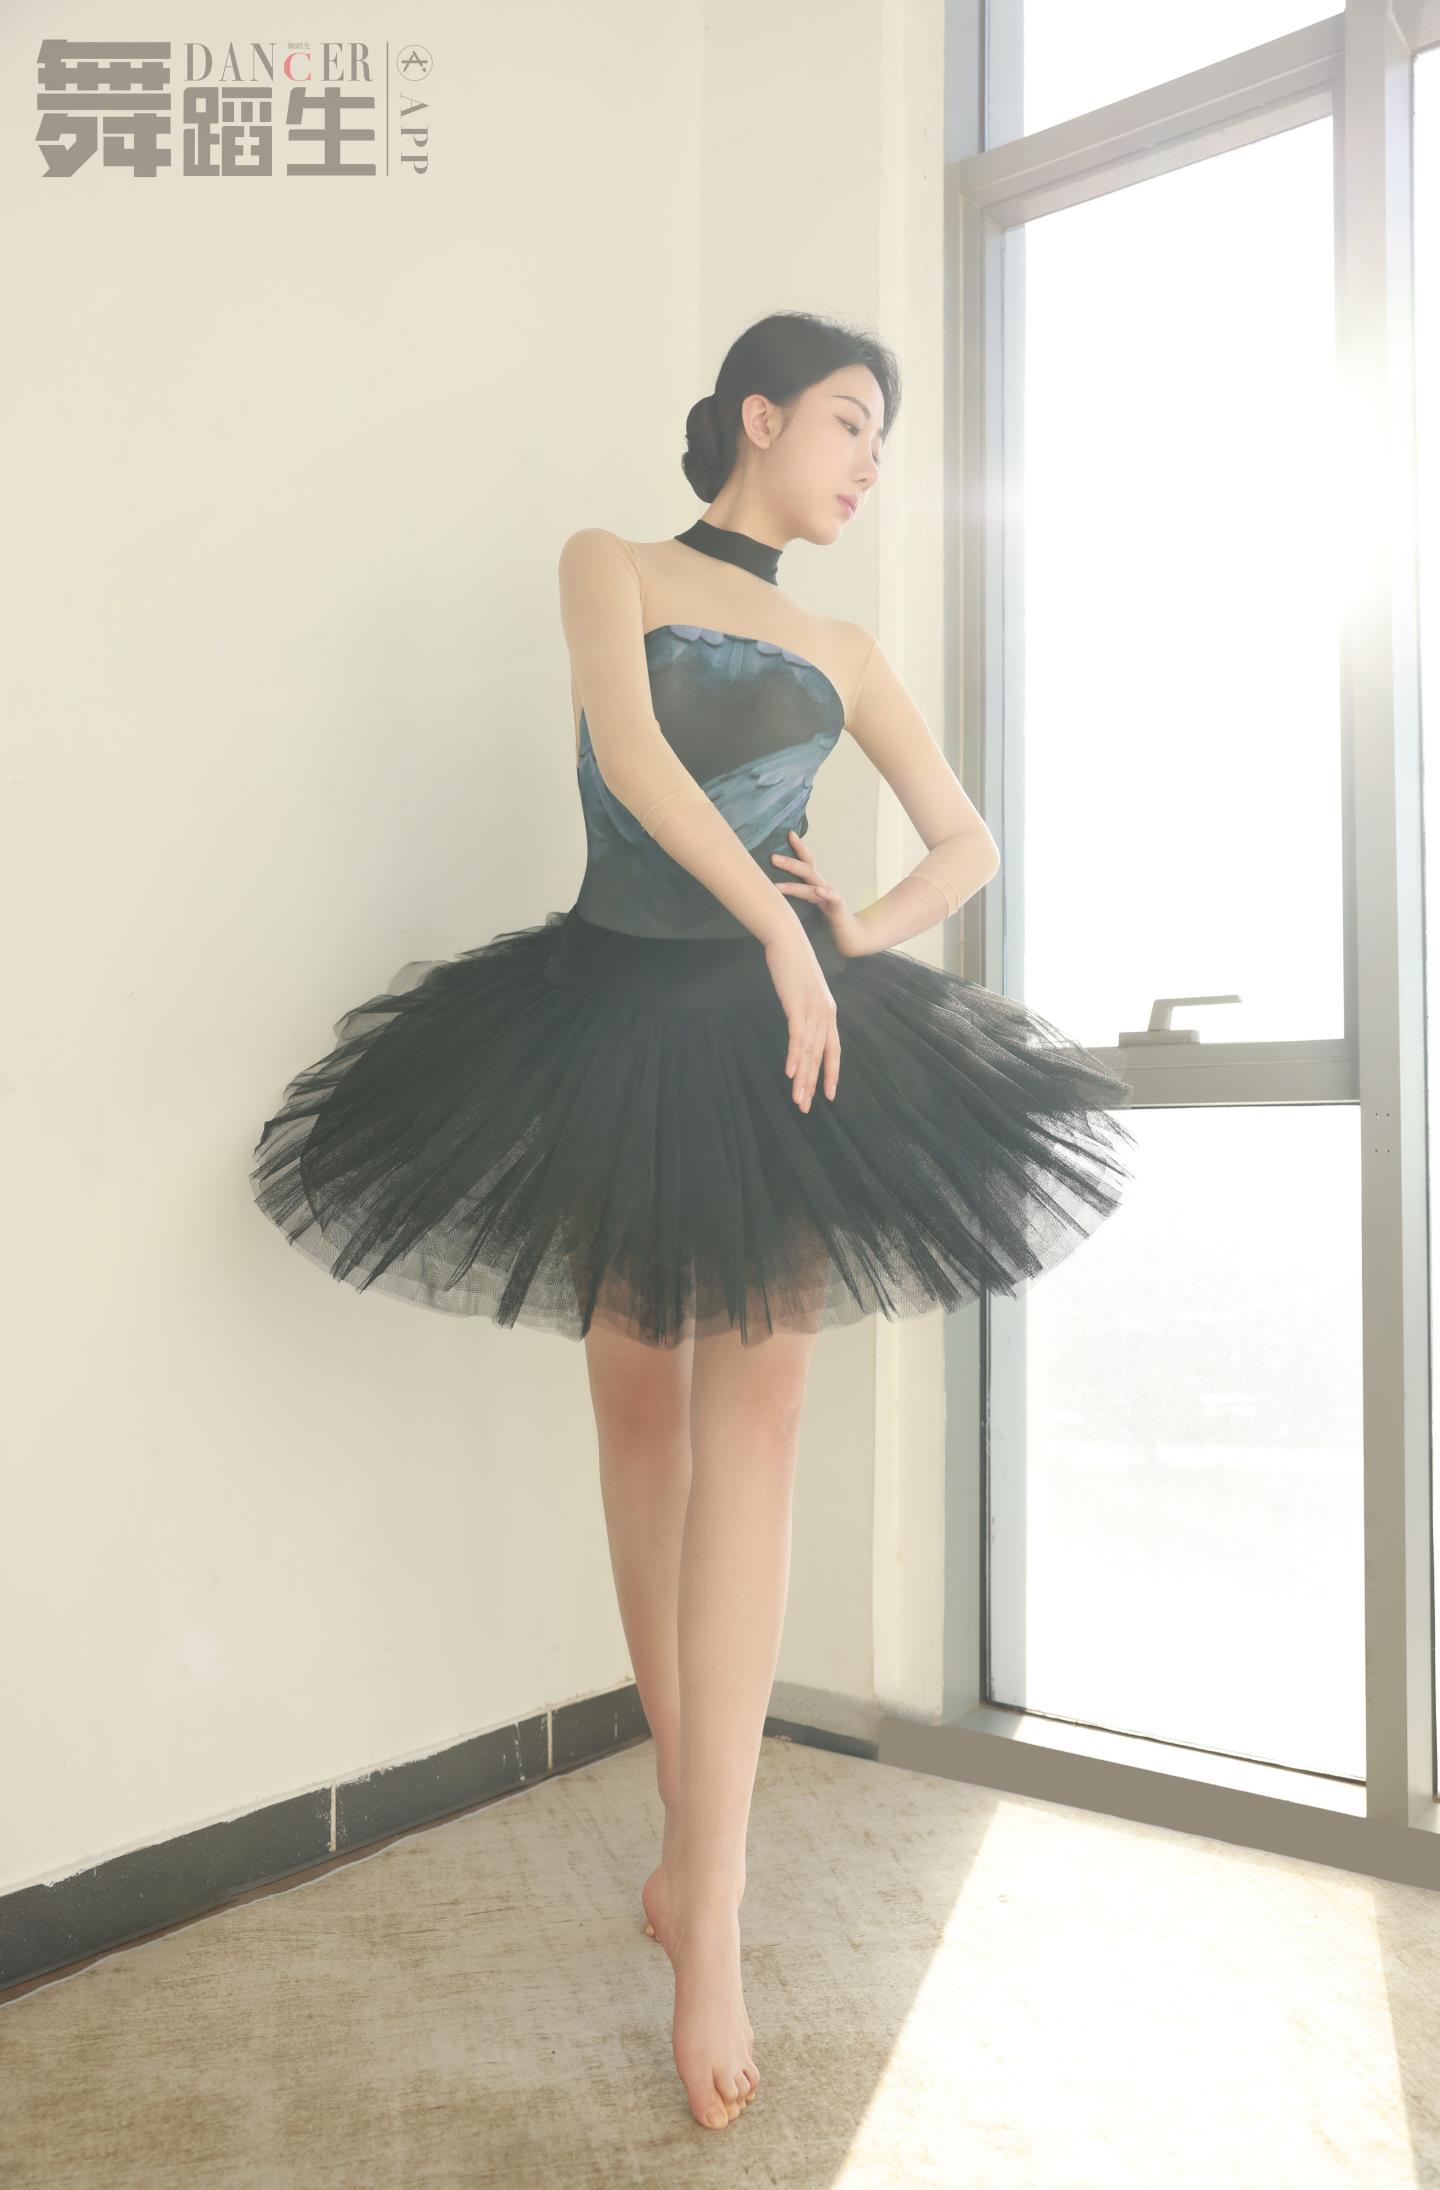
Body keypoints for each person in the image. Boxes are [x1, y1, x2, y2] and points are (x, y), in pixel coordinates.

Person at [249, 309, 1137, 2133]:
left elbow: (966, 841)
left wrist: (852, 933)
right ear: (759, 414)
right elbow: (638, 761)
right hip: (614, 1022)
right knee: (639, 1413)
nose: (870, 461)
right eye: (851, 421)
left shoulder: (845, 648)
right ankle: (683, 1827)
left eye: (883, 436)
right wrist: (776, 934)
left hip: (783, 1046)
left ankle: (710, 1901)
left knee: (766, 1419)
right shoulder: (615, 564)